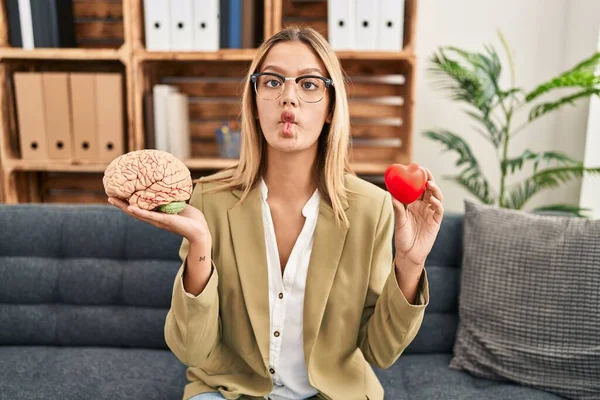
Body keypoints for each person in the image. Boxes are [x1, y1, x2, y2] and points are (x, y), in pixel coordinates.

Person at [109, 26, 443, 400]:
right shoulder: (207, 199)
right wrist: (201, 244)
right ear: (254, 101)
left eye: (309, 84)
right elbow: (191, 350)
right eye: (272, 82)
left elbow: (379, 353)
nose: (288, 98)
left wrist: (411, 265)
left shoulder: (374, 208)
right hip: (231, 391)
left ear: (332, 107)